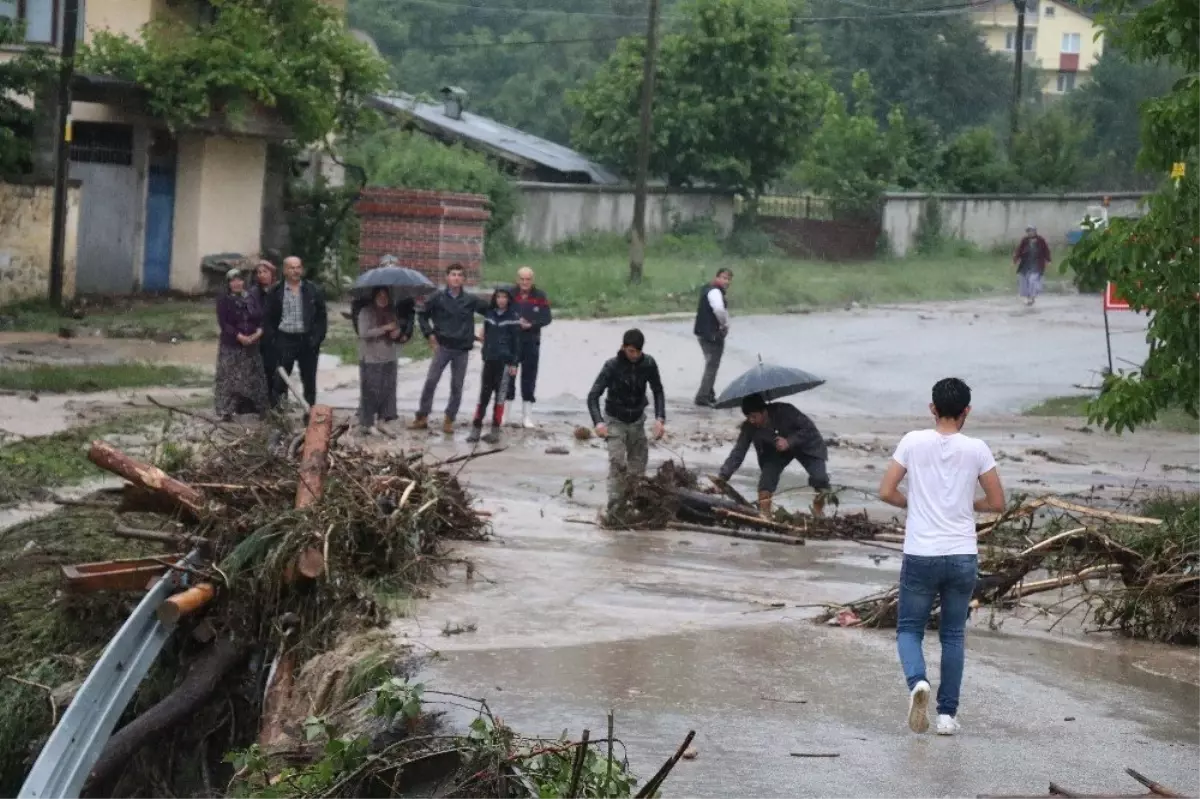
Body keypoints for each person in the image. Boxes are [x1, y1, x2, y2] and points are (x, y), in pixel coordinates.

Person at [878, 377, 1005, 737]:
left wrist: (913, 503)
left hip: (921, 553)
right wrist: (967, 505)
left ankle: (918, 682)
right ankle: (947, 716)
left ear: (932, 409)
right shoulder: (977, 448)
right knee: (952, 635)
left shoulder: (912, 442)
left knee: (908, 629)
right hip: (961, 554)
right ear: (967, 411)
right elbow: (997, 503)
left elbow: (886, 491)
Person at [586, 329, 667, 513]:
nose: (634, 355)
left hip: (637, 419)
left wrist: (660, 418)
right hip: (615, 420)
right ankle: (615, 508)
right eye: (631, 351)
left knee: (638, 466)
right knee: (618, 463)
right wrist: (598, 423)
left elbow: (658, 390)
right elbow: (592, 396)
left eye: (638, 352)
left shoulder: (648, 364)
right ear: (623, 348)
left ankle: (634, 505)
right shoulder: (611, 366)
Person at [715, 393, 830, 518]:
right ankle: (765, 515)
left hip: (806, 446)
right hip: (776, 452)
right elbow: (738, 452)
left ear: (764, 412)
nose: (751, 420)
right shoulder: (749, 427)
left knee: (821, 480)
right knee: (766, 482)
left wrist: (789, 441)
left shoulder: (786, 411)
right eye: (748, 417)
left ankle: (818, 514)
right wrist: (723, 477)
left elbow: (809, 430)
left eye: (754, 416)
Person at [411, 264, 489, 433]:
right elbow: (422, 314)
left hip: (462, 349)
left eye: (460, 275)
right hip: (443, 346)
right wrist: (429, 334)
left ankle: (449, 419)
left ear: (464, 279)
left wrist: (484, 330)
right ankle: (422, 416)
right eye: (453, 274)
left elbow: (492, 312)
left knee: (457, 386)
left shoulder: (470, 300)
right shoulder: (437, 298)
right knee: (431, 381)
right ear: (447, 277)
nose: (456, 278)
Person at [265, 256, 327, 411]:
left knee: (309, 381)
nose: (295, 271)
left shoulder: (313, 290)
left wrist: (316, 339)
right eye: (291, 268)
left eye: (298, 267)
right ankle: (278, 415)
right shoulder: (276, 291)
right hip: (285, 340)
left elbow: (321, 317)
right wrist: (273, 340)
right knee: (280, 380)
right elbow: (268, 319)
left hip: (307, 340)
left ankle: (309, 416)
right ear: (285, 270)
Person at [468, 287, 522, 444]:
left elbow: (517, 343)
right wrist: (484, 350)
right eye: (498, 297)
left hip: (505, 363)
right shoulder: (490, 315)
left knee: (500, 397)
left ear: (509, 299)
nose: (501, 300)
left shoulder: (513, 317)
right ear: (495, 299)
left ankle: (495, 431)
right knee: (483, 396)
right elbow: (485, 334)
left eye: (504, 297)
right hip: (489, 360)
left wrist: (514, 363)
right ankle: (475, 430)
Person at [214, 268, 269, 420]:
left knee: (255, 377)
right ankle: (226, 411)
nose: (237, 283)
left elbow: (260, 318)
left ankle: (262, 410)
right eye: (233, 280)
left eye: (239, 280)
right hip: (231, 345)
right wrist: (239, 337)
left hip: (252, 344)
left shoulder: (251, 297)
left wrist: (258, 333)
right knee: (229, 378)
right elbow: (224, 323)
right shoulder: (224, 299)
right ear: (228, 283)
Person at [507, 266, 553, 428]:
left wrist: (532, 324)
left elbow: (547, 318)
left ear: (532, 280)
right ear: (517, 279)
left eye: (528, 279)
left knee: (529, 378)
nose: (525, 282)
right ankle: (505, 415)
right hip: (511, 342)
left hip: (531, 341)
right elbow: (499, 312)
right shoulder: (510, 294)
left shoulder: (540, 296)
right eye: (522, 279)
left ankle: (527, 416)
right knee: (508, 377)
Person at [356, 287, 403, 434]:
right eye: (380, 296)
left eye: (385, 296)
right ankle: (368, 423)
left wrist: (396, 332)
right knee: (370, 391)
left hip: (389, 356)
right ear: (374, 297)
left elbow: (396, 331)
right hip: (371, 357)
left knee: (387, 391)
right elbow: (364, 333)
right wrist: (385, 328)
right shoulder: (366, 312)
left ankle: (383, 420)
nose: (383, 298)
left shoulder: (391, 312)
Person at [694, 268, 732, 407]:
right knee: (712, 365)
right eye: (723, 277)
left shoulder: (707, 289)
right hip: (712, 334)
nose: (726, 281)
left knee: (710, 364)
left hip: (702, 332)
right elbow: (719, 310)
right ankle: (703, 396)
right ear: (716, 277)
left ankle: (708, 393)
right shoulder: (715, 292)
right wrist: (724, 325)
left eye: (728, 279)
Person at [249, 259, 278, 393]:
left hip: (277, 335)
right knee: (259, 370)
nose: (261, 275)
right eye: (259, 272)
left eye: (265, 272)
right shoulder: (254, 292)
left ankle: (278, 400)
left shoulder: (279, 289)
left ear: (272, 273)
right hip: (259, 336)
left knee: (278, 369)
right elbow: (253, 313)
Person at [1013, 225, 1051, 306]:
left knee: (1033, 280)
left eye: (1032, 231)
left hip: (1037, 264)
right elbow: (1019, 250)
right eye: (1029, 231)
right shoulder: (1025, 240)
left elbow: (1046, 250)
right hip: (1026, 264)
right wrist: (1016, 259)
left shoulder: (1041, 240)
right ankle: (1027, 297)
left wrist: (1048, 260)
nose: (1030, 232)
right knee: (1024, 281)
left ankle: (1032, 297)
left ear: (1035, 231)